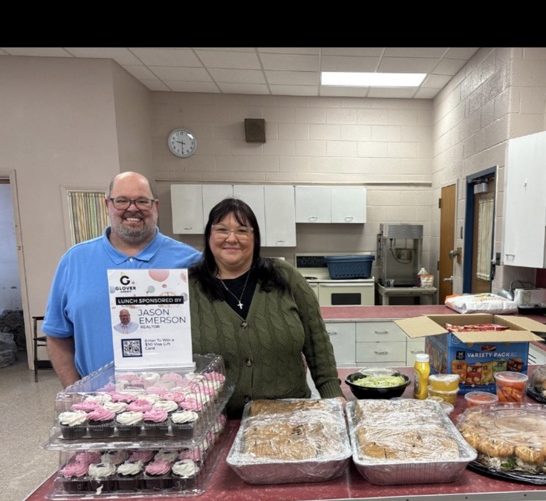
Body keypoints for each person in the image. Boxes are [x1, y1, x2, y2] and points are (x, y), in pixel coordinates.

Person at [42, 171, 202, 387]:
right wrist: (75, 392)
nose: (132, 208)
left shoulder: (191, 262)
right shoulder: (75, 261)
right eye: (122, 201)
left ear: (155, 207)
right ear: (108, 205)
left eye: (142, 201)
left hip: (175, 403)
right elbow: (57, 334)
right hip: (97, 406)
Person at [189, 197, 344, 418]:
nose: (232, 238)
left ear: (255, 237)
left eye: (242, 230)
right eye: (222, 230)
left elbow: (316, 341)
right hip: (216, 423)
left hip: (290, 416)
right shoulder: (187, 286)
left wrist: (332, 395)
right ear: (209, 236)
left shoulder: (285, 276)